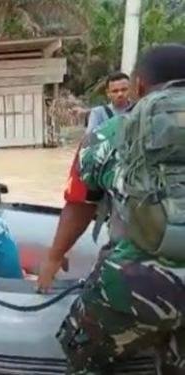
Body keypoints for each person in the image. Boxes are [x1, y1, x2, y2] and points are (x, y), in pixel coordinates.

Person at [38, 44, 185, 374]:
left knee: (82, 351)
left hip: (136, 284)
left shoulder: (106, 135)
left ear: (139, 87)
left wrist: (53, 256)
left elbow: (80, 203)